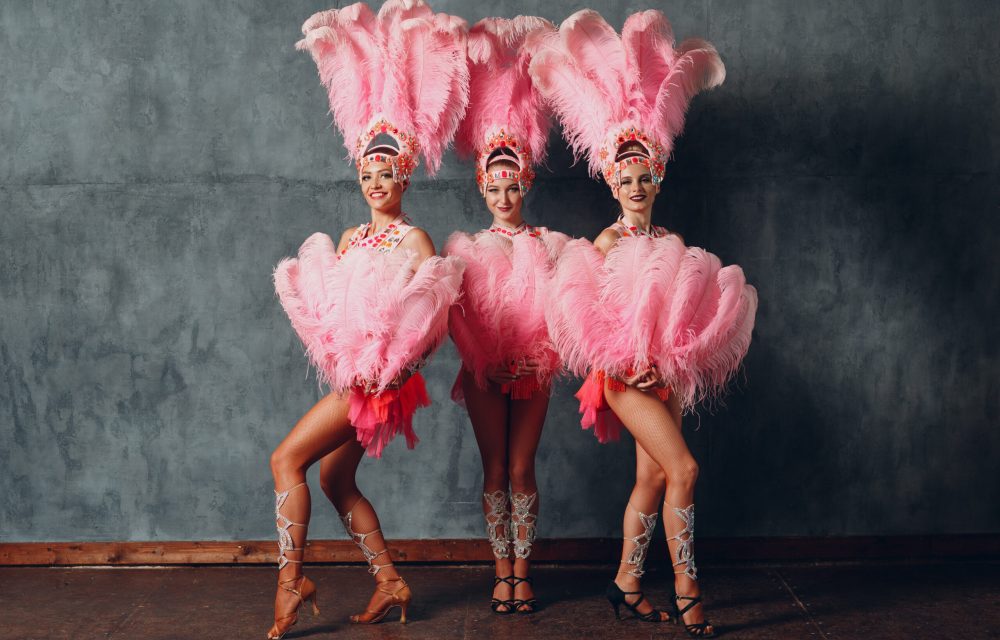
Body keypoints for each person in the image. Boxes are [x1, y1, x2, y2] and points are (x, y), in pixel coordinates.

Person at [532, 9, 757, 637]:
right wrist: (620, 360)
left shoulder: (671, 239)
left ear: (656, 178)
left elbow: (681, 312)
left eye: (643, 177)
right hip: (623, 377)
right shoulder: (602, 243)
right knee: (684, 469)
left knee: (654, 476)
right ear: (612, 181)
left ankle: (627, 583)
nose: (634, 185)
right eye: (624, 178)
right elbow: (580, 313)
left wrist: (678, 360)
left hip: (665, 376)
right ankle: (688, 587)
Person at [266, 2, 469, 637]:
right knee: (333, 479)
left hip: (378, 383)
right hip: (352, 376)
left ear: (404, 173)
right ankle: (389, 579)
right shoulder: (352, 234)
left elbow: (431, 322)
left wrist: (391, 371)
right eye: (366, 171)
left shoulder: (417, 243)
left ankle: (290, 579)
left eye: (386, 171)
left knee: (284, 462)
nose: (375, 179)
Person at [444, 16, 566, 615]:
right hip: (486, 370)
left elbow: (564, 306)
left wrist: (539, 353)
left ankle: (524, 569)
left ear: (527, 182)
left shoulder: (549, 243)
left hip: (534, 367)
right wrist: (481, 362)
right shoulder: (465, 246)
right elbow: (459, 318)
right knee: (494, 466)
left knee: (523, 467)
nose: (503, 195)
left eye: (512, 186)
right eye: (494, 187)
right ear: (481, 186)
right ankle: (501, 571)